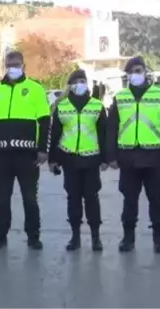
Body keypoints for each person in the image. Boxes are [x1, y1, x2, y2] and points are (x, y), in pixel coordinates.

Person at [106, 56, 160, 253]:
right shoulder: (120, 97)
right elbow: (112, 128)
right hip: (128, 159)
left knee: (156, 201)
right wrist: (111, 156)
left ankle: (159, 240)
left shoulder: (159, 95)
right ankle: (128, 238)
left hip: (153, 158)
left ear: (145, 72)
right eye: (132, 71)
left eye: (139, 70)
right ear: (127, 75)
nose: (135, 74)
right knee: (129, 202)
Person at [0, 51, 50, 250]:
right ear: (5, 65)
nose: (13, 67)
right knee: (2, 200)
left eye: (17, 64)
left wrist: (42, 149)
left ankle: (33, 236)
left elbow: (45, 121)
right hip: (2, 156)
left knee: (30, 199)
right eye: (10, 64)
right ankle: (1, 235)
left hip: (27, 156)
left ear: (23, 65)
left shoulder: (35, 89)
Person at [49, 69, 107, 251]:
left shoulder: (97, 106)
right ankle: (75, 237)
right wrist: (53, 160)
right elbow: (56, 134)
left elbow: (104, 134)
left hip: (91, 160)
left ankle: (96, 237)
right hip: (70, 160)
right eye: (76, 81)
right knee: (73, 199)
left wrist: (106, 158)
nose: (80, 84)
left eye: (83, 80)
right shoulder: (62, 106)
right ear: (71, 85)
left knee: (92, 198)